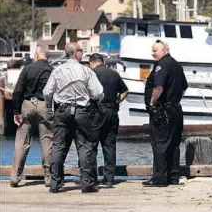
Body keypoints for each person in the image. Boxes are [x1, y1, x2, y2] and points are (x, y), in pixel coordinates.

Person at [43, 43, 104, 193]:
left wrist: (51, 105)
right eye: (81, 51)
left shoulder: (57, 71)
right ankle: (87, 183)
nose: (82, 54)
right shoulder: (86, 71)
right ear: (76, 54)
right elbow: (98, 92)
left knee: (58, 145)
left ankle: (55, 183)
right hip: (82, 111)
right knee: (84, 146)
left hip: (62, 110)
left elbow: (46, 92)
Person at [143, 39, 188, 187]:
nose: (152, 53)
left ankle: (160, 178)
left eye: (155, 50)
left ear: (164, 50)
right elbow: (184, 87)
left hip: (163, 111)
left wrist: (152, 102)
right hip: (175, 109)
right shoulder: (176, 64)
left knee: (160, 143)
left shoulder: (162, 65)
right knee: (174, 144)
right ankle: (173, 176)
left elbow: (159, 87)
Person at [10, 45, 53, 188]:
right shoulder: (51, 70)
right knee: (47, 141)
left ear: (36, 55)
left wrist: (16, 110)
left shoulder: (27, 68)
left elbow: (18, 90)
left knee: (22, 141)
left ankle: (15, 177)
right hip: (44, 105)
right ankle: (48, 178)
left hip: (27, 105)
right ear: (48, 56)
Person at [89, 53, 129, 187]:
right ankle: (109, 179)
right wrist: (117, 101)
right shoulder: (114, 74)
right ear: (102, 61)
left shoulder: (91, 73)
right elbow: (125, 91)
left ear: (92, 63)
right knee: (110, 145)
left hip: (97, 112)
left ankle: (92, 178)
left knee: (92, 145)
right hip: (112, 111)